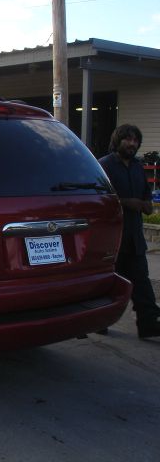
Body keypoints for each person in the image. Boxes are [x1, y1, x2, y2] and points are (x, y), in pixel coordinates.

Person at [99, 124, 160, 338]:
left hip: (135, 238)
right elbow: (99, 198)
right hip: (113, 238)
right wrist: (128, 203)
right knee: (109, 283)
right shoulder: (104, 165)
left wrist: (145, 203)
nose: (132, 144)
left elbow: (146, 198)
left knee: (142, 284)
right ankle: (99, 321)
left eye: (135, 140)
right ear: (118, 140)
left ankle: (149, 323)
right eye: (128, 139)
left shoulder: (137, 167)